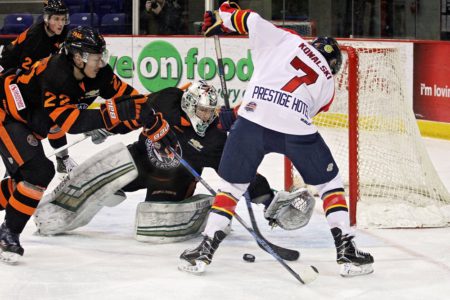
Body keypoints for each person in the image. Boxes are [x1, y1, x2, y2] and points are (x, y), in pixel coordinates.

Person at [179, 1, 374, 277]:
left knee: (231, 188)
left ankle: (204, 250)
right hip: (295, 128)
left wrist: (224, 16)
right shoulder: (328, 83)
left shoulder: (289, 40)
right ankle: (347, 250)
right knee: (329, 184)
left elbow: (250, 20)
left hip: (251, 121)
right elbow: (293, 104)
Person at [34, 81, 307, 244]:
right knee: (112, 160)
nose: (208, 116)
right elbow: (137, 111)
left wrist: (267, 199)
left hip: (174, 182)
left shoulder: (214, 139)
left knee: (150, 227)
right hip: (140, 162)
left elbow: (238, 172)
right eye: (202, 110)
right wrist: (108, 126)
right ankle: (56, 208)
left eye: (211, 111)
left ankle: (205, 207)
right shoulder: (167, 99)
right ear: (189, 104)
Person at [0, 26, 176, 264]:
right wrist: (112, 114)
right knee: (38, 173)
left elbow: (131, 97)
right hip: (7, 114)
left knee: (25, 184)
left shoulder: (99, 73)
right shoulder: (56, 74)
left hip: (31, 121)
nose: (101, 62)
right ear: (77, 57)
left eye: (102, 55)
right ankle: (8, 234)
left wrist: (153, 122)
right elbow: (69, 122)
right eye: (96, 57)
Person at [0, 0, 76, 175]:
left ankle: (63, 159)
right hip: (12, 76)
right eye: (56, 19)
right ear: (47, 19)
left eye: (63, 19)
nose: (60, 23)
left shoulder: (62, 32)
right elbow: (24, 74)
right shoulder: (36, 38)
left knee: (54, 114)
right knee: (27, 122)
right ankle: (15, 168)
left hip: (32, 76)